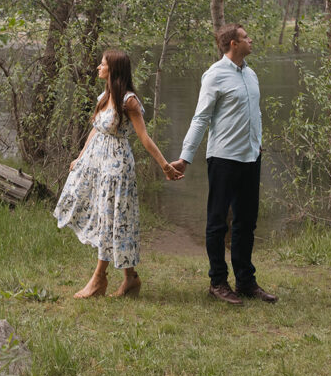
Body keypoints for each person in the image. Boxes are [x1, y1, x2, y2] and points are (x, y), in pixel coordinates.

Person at [54, 47, 183, 298]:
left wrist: (165, 166)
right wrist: (80, 157)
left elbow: (144, 138)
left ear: (113, 70)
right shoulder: (106, 95)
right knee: (112, 218)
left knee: (112, 219)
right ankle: (130, 278)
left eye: (102, 64)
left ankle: (98, 279)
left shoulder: (129, 101)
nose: (98, 67)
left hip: (117, 167)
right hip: (99, 165)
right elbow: (95, 129)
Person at [170, 23, 278, 306]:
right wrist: (185, 157)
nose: (250, 40)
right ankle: (217, 281)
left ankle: (245, 281)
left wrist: (258, 140)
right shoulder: (214, 75)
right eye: (245, 37)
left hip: (250, 158)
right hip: (223, 159)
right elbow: (200, 118)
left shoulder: (251, 75)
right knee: (218, 222)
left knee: (246, 221)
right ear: (232, 44)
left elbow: (256, 113)